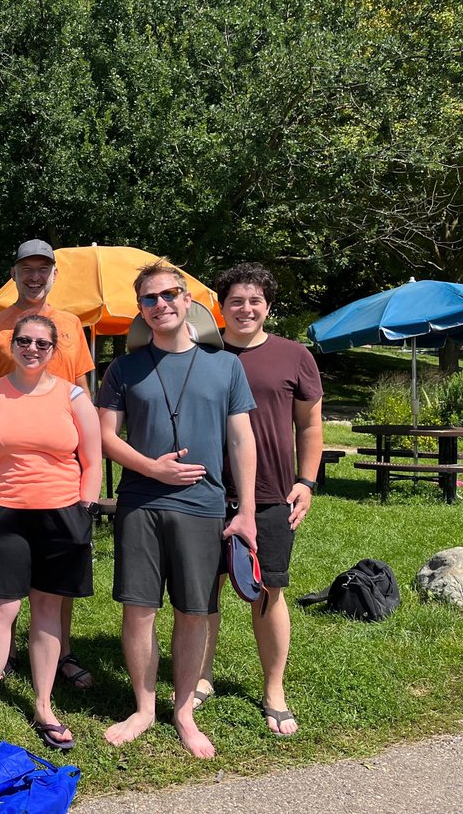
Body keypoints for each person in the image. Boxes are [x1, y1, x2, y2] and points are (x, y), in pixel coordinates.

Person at [95, 258, 257, 759]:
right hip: (141, 503)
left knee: (194, 610)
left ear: (189, 301)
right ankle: (144, 707)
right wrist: (152, 468)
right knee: (139, 609)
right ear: (140, 309)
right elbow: (103, 437)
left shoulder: (226, 365)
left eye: (169, 296)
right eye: (150, 299)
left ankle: (183, 710)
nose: (160, 305)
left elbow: (240, 439)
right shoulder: (123, 368)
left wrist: (246, 509)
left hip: (204, 505)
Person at [0, 314, 101, 751]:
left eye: (42, 343)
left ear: (54, 350)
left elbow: (93, 462)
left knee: (47, 611)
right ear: (12, 345)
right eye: (24, 341)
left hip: (62, 516)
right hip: (4, 517)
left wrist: (83, 511)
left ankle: (44, 706)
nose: (32, 349)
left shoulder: (74, 397)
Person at [195, 263, 323, 735]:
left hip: (272, 493)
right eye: (235, 301)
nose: (245, 309)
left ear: (268, 307)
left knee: (268, 590)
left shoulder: (294, 356)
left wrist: (306, 482)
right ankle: (201, 677)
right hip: (204, 491)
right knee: (201, 592)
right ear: (220, 307)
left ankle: (274, 689)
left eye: (255, 301)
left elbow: (310, 424)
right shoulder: (200, 353)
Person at [0, 239, 96, 688]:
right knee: (6, 577)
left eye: (42, 269)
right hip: (10, 465)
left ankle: (61, 651)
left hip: (62, 459)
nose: (34, 276)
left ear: (53, 274)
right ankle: (2, 650)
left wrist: (90, 464)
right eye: (26, 268)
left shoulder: (69, 325)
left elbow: (82, 386)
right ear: (14, 272)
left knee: (55, 577)